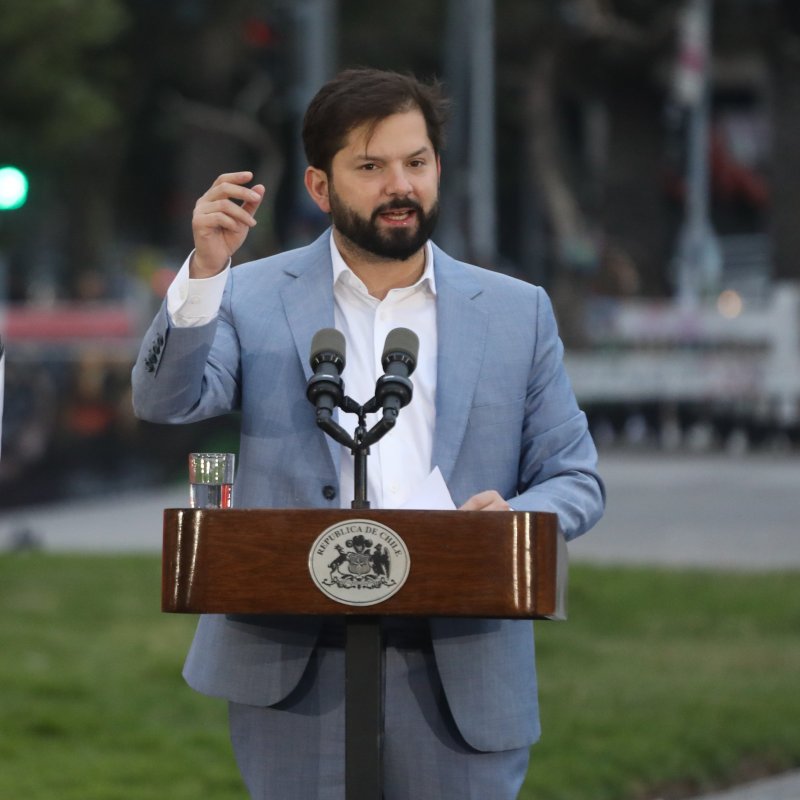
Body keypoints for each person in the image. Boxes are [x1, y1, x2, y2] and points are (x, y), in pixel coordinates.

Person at [132, 67, 605, 800]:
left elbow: (575, 477)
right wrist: (204, 273)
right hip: (294, 657)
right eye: (371, 167)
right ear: (321, 187)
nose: (400, 186)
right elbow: (167, 401)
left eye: (417, 162)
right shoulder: (250, 294)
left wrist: (515, 520)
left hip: (461, 659)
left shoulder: (518, 311)